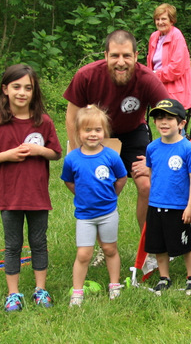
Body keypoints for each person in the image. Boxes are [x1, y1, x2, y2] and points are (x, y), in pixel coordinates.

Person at [0, 64, 62, 311]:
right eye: (16, 87)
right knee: (12, 245)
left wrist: (38, 150)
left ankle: (40, 289)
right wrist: (8, 155)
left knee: (38, 242)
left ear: (34, 92)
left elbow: (56, 153)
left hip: (37, 196)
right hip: (9, 196)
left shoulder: (43, 122)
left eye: (28, 88)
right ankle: (13, 293)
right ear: (5, 89)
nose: (22, 92)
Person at [64, 29, 168, 232]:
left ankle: (147, 248)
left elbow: (170, 116)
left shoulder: (147, 78)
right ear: (105, 56)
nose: (121, 62)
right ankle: (102, 247)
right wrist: (78, 155)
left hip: (133, 131)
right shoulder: (87, 76)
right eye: (115, 56)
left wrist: (156, 158)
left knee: (147, 185)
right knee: (96, 189)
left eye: (127, 56)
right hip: (97, 135)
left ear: (136, 56)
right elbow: (71, 116)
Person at [61, 105, 128, 306]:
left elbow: (122, 178)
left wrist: (111, 196)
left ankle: (114, 285)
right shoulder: (72, 158)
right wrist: (81, 195)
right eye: (87, 130)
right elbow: (69, 181)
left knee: (109, 249)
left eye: (97, 130)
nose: (92, 134)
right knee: (84, 254)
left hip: (108, 213)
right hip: (85, 215)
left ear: (104, 132)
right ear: (78, 133)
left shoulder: (111, 156)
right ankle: (78, 292)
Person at [144, 98, 191, 296]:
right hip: (156, 204)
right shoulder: (152, 147)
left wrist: (190, 206)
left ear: (181, 123)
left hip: (179, 206)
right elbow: (152, 174)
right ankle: (164, 277)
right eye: (159, 118)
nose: (163, 122)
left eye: (169, 118)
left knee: (185, 244)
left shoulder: (187, 148)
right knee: (158, 245)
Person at [147, 3, 191, 110]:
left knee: (173, 123)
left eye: (164, 19)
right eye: (157, 19)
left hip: (175, 89)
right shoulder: (154, 37)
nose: (160, 22)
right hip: (158, 87)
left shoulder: (176, 36)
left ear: (171, 20)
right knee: (160, 121)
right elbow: (151, 64)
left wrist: (154, 75)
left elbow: (176, 69)